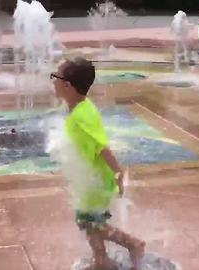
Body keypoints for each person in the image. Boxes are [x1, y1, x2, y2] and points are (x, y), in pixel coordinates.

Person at [50, 58, 145, 270]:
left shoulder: (82, 115)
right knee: (90, 222)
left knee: (88, 222)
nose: (52, 81)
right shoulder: (80, 108)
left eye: (55, 77)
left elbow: (102, 147)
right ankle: (101, 260)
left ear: (68, 86)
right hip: (89, 176)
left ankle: (133, 244)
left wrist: (118, 173)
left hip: (96, 180)